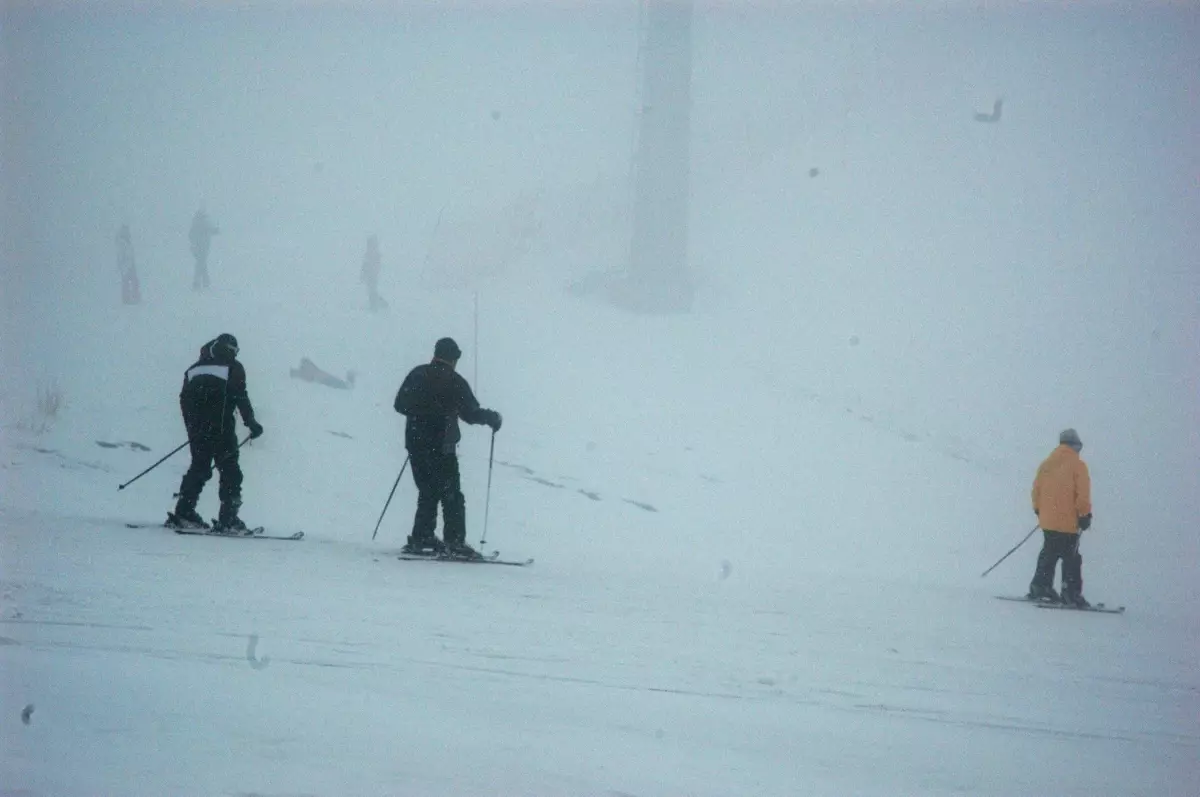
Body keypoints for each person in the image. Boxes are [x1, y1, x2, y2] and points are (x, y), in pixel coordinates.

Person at [393, 337, 501, 557]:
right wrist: (492, 418)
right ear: (453, 359)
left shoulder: (417, 374)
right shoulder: (454, 381)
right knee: (451, 494)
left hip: (415, 443)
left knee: (427, 491)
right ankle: (455, 542)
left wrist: (422, 413)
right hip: (442, 445)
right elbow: (470, 414)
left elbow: (399, 405)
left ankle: (422, 537)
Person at [167, 333, 264, 532]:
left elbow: (183, 399)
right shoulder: (233, 368)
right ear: (228, 349)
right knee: (230, 471)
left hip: (198, 429)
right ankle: (228, 519)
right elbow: (240, 396)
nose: (235, 354)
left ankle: (184, 511)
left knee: (199, 467)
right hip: (221, 428)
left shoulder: (193, 369)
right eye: (234, 350)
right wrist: (251, 423)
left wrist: (192, 429)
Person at [1027, 428, 1093, 607]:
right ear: (1074, 445)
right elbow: (1083, 494)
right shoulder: (1078, 466)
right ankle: (1070, 592)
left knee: (1049, 552)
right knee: (1071, 556)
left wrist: (1038, 510)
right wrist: (1084, 515)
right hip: (1069, 522)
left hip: (1048, 521)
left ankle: (1040, 586)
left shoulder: (1046, 464)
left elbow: (1036, 490)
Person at [189, 206, 219, 290]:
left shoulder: (195, 223)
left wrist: (193, 244)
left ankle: (204, 281)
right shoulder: (204, 223)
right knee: (201, 263)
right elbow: (212, 230)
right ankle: (200, 281)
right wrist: (216, 230)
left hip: (197, 247)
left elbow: (190, 235)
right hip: (203, 247)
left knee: (201, 263)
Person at [290, 356, 355, 390]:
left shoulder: (302, 373)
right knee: (345, 386)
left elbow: (310, 377)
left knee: (345, 386)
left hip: (324, 378)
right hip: (324, 379)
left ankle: (350, 375)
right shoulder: (302, 374)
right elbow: (310, 378)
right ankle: (350, 375)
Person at [361, 234, 388, 312]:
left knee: (372, 291)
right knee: (371, 291)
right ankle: (378, 305)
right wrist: (363, 274)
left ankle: (376, 306)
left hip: (372, 275)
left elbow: (375, 265)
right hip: (369, 275)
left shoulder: (375, 253)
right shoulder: (369, 253)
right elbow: (365, 264)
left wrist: (373, 272)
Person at [116, 224, 141, 304]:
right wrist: (123, 265)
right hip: (126, 266)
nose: (128, 232)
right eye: (126, 231)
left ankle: (134, 297)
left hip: (130, 264)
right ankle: (127, 299)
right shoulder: (122, 243)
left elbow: (131, 253)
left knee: (134, 281)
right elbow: (121, 256)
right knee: (127, 282)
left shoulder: (128, 241)